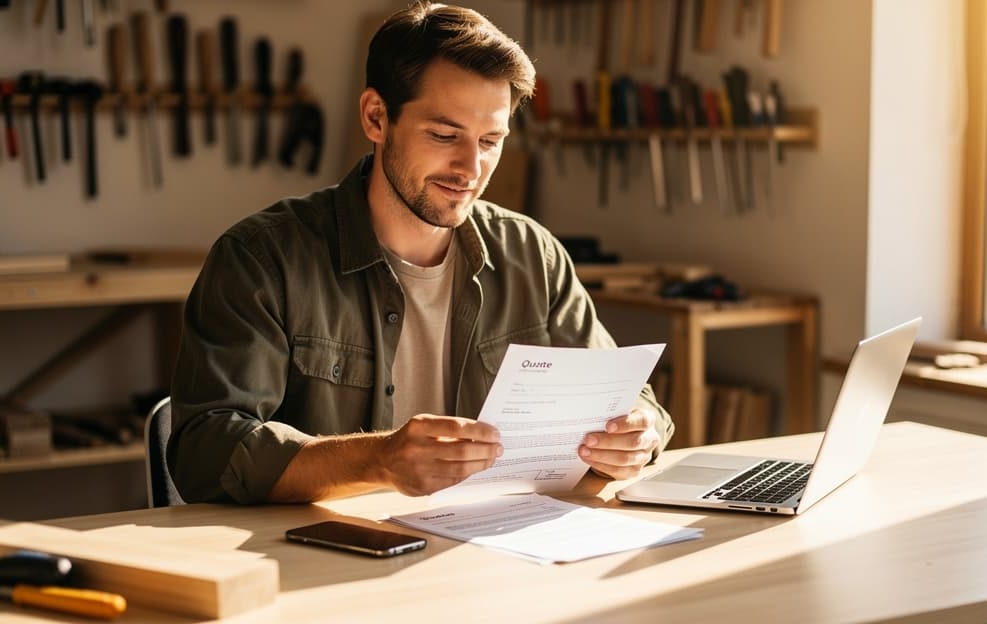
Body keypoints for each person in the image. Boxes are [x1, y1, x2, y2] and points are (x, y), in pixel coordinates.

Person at [167, 2, 674, 504]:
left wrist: (637, 434)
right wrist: (376, 460)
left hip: (491, 541)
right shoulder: (261, 259)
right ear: (376, 117)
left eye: (490, 141)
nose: (470, 168)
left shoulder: (532, 255)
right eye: (444, 135)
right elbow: (205, 453)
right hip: (318, 547)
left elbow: (630, 399)